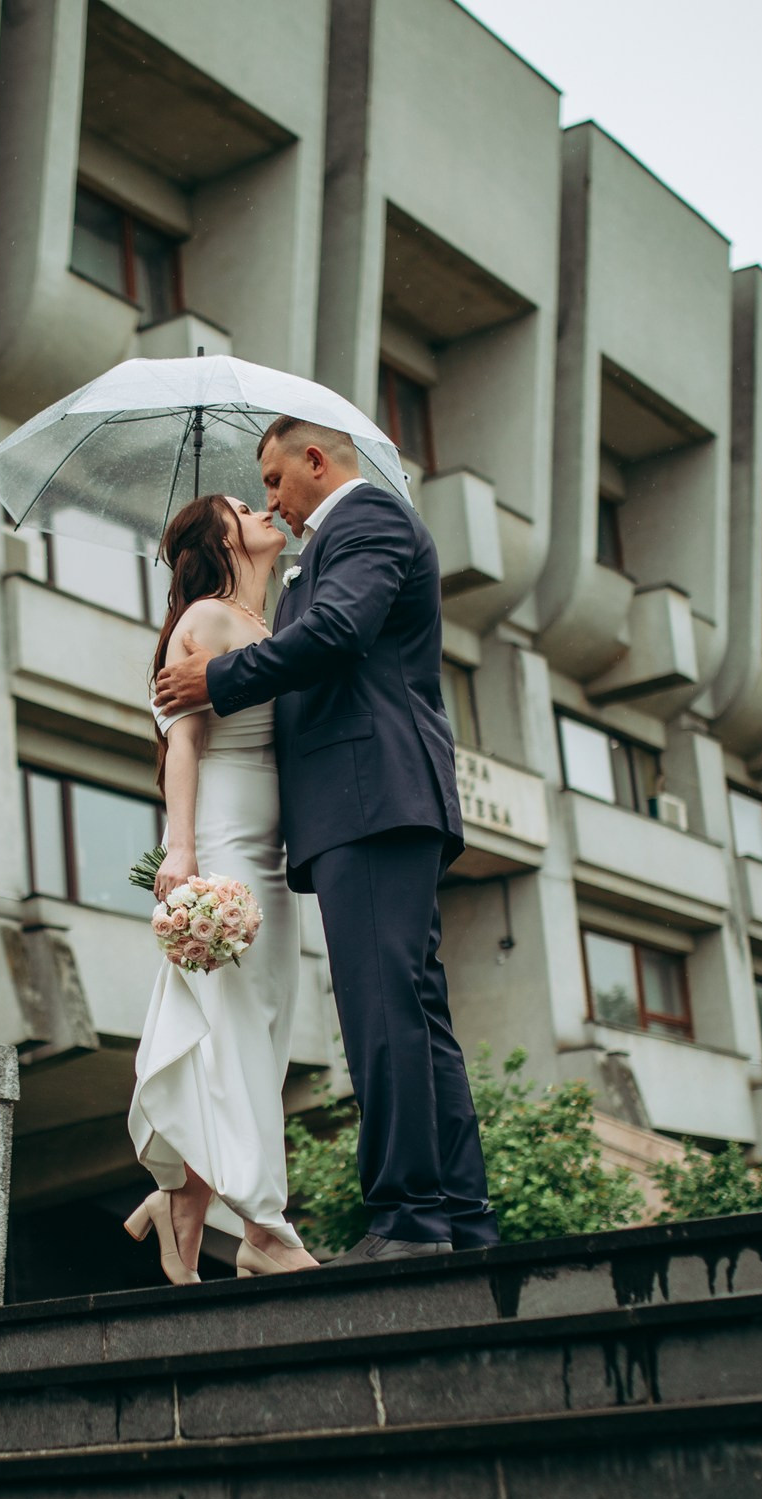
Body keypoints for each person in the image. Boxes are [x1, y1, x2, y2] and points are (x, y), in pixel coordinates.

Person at [151, 418, 494, 1263]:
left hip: (371, 798)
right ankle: (457, 1214)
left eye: (273, 480)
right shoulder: (302, 573)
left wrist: (216, 675)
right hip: (353, 808)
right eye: (256, 492)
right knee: (409, 1010)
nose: (270, 498)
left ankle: (410, 1217)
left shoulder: (368, 519)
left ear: (314, 461)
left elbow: (339, 634)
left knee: (384, 1010)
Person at [123, 493, 322, 1283]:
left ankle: (179, 1194)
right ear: (219, 538)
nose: (265, 505)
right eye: (245, 504)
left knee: (257, 1032)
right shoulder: (204, 619)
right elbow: (184, 742)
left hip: (272, 852)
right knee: (234, 1029)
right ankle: (265, 1228)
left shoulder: (270, 626)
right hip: (226, 840)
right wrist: (182, 853)